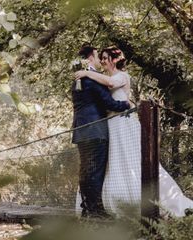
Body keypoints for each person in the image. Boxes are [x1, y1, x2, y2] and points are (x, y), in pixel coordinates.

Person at [75, 46, 193, 217]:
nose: (103, 61)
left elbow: (111, 84)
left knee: (132, 156)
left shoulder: (122, 76)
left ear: (115, 59)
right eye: (101, 58)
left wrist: (86, 73)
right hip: (111, 124)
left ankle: (151, 199)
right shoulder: (102, 78)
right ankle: (118, 197)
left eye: (106, 57)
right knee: (115, 158)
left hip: (124, 123)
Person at [71, 44, 130, 217]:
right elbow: (110, 104)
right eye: (98, 57)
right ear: (90, 58)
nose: (100, 61)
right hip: (96, 131)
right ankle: (95, 211)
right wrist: (127, 104)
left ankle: (87, 208)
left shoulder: (77, 79)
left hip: (81, 131)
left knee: (85, 171)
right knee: (95, 172)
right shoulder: (92, 79)